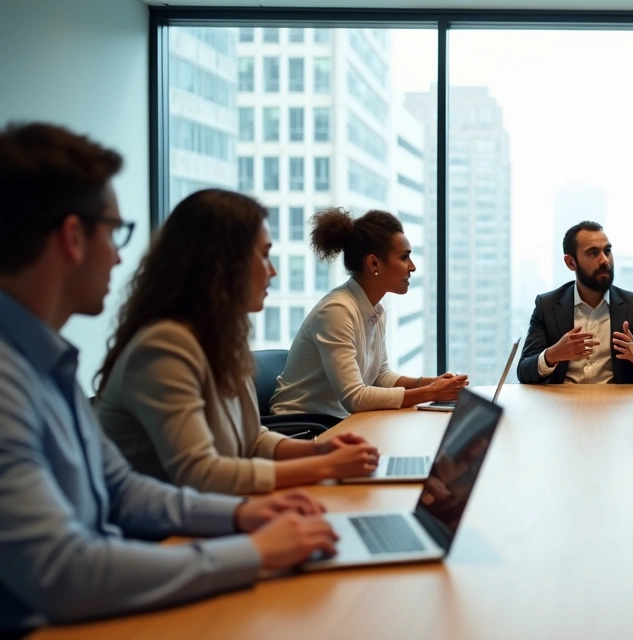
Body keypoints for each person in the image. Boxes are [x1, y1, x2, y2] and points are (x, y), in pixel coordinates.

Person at [0, 122, 338, 634]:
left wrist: (239, 518)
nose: (119, 255)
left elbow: (121, 490)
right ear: (72, 237)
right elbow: (63, 571)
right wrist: (252, 552)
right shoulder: (11, 379)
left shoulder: (48, 362)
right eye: (113, 232)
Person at [95, 189, 381, 495]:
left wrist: (320, 450)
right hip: (166, 522)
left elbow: (251, 439)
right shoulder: (163, 346)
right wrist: (325, 467)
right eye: (263, 255)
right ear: (221, 263)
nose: (272, 271)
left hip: (212, 510)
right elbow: (201, 474)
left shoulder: (222, 339)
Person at [271, 208, 466, 417]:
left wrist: (432, 383)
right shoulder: (336, 311)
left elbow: (380, 376)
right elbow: (354, 397)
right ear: (374, 263)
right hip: (302, 426)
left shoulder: (376, 310)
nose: (412, 267)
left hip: (336, 421)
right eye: (404, 257)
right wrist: (430, 392)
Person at [517, 221, 633, 384]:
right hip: (562, 399)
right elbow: (524, 372)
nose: (605, 260)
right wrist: (552, 355)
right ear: (571, 262)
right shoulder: (547, 306)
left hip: (617, 399)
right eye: (593, 253)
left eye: (607, 251)